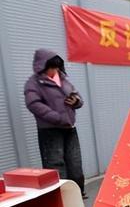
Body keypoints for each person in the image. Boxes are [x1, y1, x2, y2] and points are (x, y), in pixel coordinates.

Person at [24, 49, 86, 198]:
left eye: (57, 67)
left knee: (75, 162)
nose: (55, 71)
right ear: (42, 66)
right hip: (50, 130)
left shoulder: (63, 80)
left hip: (69, 128)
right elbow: (34, 104)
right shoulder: (33, 83)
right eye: (51, 67)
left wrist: (76, 101)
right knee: (55, 164)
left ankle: (77, 193)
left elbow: (78, 98)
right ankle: (60, 197)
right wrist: (58, 117)